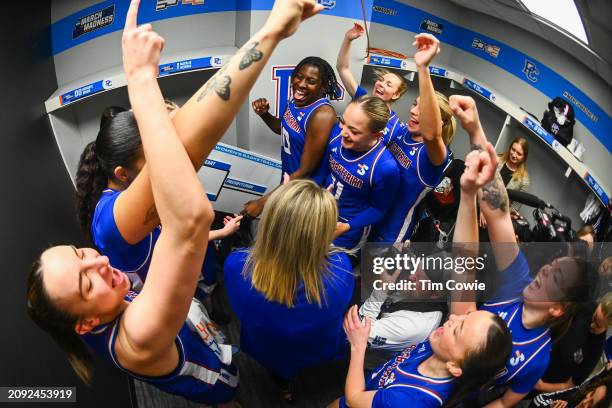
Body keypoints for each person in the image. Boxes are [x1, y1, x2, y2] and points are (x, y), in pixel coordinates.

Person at [26, 0, 325, 404]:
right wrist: (140, 78)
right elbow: (189, 215)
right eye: (85, 279)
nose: (98, 261)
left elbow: (183, 146)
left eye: (82, 254)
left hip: (193, 318)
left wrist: (273, 30)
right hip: (214, 381)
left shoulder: (109, 249)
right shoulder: (139, 331)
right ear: (87, 322)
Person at [450, 95, 593, 408]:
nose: (544, 269)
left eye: (555, 276)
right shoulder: (518, 282)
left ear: (557, 309)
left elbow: (502, 404)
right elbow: (498, 213)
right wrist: (476, 133)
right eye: (552, 265)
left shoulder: (537, 359)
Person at [76, 103, 242, 299]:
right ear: (121, 174)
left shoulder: (130, 195)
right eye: (151, 160)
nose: (162, 163)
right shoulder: (109, 222)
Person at [224, 179, 354, 401]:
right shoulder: (340, 270)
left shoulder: (236, 265)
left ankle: (283, 387)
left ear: (270, 222)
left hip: (264, 347)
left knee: (278, 371)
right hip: (315, 349)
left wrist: (290, 204)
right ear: (323, 234)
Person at [327, 302, 512, 408]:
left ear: (454, 366)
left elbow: (354, 398)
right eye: (466, 316)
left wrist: (358, 346)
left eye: (457, 330)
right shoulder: (441, 347)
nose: (453, 318)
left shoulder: (409, 401)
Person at [370, 34, 455, 244]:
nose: (414, 111)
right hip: (370, 217)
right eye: (415, 104)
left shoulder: (433, 155)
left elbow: (432, 135)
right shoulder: (402, 133)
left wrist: (423, 69)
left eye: (423, 108)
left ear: (440, 122)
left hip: (390, 235)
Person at [244, 55, 339, 217]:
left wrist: (262, 203)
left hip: (305, 193)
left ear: (322, 86)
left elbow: (305, 171)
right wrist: (265, 115)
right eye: (299, 77)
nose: (301, 84)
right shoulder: (296, 100)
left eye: (311, 81)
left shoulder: (322, 115)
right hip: (289, 184)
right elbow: (284, 129)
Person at [320, 96, 400, 251]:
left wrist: (346, 227)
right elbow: (323, 170)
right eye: (342, 122)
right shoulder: (337, 134)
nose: (343, 132)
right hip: (321, 214)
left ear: (377, 135)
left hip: (347, 232)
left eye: (354, 131)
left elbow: (379, 209)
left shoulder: (385, 167)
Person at [336, 23, 408, 144]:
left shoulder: (396, 127)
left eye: (388, 84)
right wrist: (347, 39)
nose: (380, 84)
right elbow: (342, 68)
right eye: (381, 80)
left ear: (396, 95)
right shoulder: (362, 99)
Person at [534, 292, 612, 394]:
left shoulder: (595, 350)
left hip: (542, 381)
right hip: (534, 353)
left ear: (608, 327)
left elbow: (570, 384)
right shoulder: (587, 307)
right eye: (594, 317)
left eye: (598, 325)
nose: (592, 325)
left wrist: (542, 386)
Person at [480, 136, 530, 227]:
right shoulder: (496, 160)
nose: (514, 155)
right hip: (480, 205)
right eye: (513, 150)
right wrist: (483, 210)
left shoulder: (524, 181)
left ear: (524, 157)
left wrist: (493, 217)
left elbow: (514, 208)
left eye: (519, 154)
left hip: (497, 219)